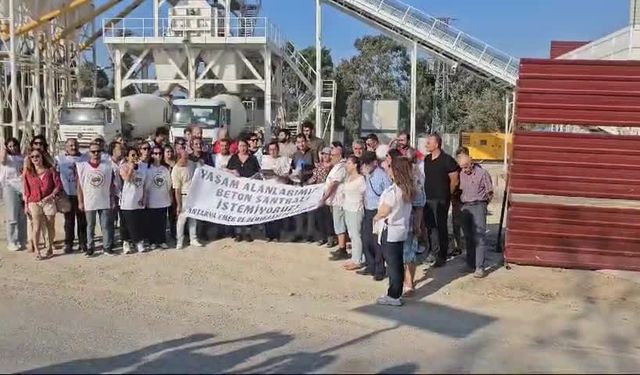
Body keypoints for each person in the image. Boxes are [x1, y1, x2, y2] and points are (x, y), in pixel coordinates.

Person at [374, 157, 416, 306]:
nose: (388, 169)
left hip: (390, 229)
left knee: (393, 265)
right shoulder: (407, 189)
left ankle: (394, 295)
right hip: (401, 229)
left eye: (391, 167)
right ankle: (395, 293)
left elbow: (384, 211)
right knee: (397, 262)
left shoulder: (394, 191)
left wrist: (376, 217)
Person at [423, 134, 459, 267]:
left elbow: (454, 179)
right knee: (430, 227)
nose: (426, 144)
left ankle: (442, 255)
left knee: (441, 227)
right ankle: (433, 251)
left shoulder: (447, 160)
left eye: (429, 142)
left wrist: (448, 193)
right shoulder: (427, 159)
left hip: (441, 199)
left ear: (437, 144)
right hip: (428, 198)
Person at [457, 153, 494, 278]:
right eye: (462, 167)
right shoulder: (461, 173)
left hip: (479, 204)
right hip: (465, 206)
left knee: (479, 237)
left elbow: (490, 192)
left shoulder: (482, 174)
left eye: (466, 167)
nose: (464, 170)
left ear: (472, 163)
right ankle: (470, 263)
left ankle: (480, 267)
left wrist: (483, 205)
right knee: (468, 236)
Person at [77, 142, 116, 256]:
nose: (96, 154)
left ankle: (107, 247)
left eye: (98, 151)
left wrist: (112, 199)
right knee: (90, 225)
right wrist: (80, 201)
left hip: (104, 199)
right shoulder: (82, 167)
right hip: (89, 200)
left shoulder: (108, 166)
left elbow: (111, 185)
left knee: (106, 225)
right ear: (89, 153)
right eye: (93, 151)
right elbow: (79, 186)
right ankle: (90, 247)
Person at [23, 148, 62, 260]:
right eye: (32, 157)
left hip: (48, 201)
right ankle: (37, 250)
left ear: (42, 157)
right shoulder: (28, 173)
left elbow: (58, 186)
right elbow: (26, 190)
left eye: (37, 156)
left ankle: (49, 246)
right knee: (36, 226)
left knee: (50, 224)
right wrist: (26, 205)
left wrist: (50, 196)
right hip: (33, 201)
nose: (35, 158)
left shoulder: (50, 170)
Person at [358, 151, 392, 281]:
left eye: (367, 163)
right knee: (366, 239)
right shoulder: (367, 175)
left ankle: (379, 269)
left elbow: (388, 193)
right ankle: (370, 265)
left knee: (376, 241)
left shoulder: (382, 175)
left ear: (374, 163)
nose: (364, 166)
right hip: (368, 209)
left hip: (378, 211)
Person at [402, 148, 426, 295]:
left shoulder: (415, 179)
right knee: (400, 254)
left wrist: (417, 225)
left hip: (409, 222)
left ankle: (409, 283)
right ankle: (403, 281)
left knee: (409, 253)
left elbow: (419, 206)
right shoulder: (398, 178)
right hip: (396, 222)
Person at [56, 139, 87, 253]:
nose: (73, 147)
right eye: (71, 145)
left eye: (75, 145)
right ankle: (68, 243)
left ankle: (83, 242)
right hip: (67, 193)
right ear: (66, 148)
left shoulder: (85, 158)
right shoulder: (60, 159)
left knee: (82, 220)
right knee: (69, 221)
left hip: (82, 194)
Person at [227, 139, 261, 242]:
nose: (242, 148)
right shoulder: (233, 158)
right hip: (236, 189)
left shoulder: (253, 158)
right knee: (237, 210)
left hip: (249, 190)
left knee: (248, 211)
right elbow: (227, 170)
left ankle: (247, 232)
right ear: (238, 147)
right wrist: (232, 172)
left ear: (247, 146)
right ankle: (238, 233)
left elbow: (258, 172)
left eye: (244, 146)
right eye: (241, 146)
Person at [172, 145, 202, 249]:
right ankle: (179, 241)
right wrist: (179, 205)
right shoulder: (175, 170)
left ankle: (193, 239)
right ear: (179, 158)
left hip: (193, 195)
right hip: (183, 196)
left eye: (187, 157)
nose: (186, 159)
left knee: (193, 219)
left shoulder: (191, 164)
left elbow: (199, 167)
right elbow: (177, 189)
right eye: (184, 158)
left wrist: (200, 163)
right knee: (181, 220)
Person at [322, 145, 348, 260]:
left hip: (339, 199)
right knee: (337, 223)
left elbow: (334, 184)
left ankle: (342, 249)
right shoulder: (336, 166)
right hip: (334, 200)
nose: (330, 157)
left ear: (339, 156)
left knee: (339, 223)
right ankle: (341, 247)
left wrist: (324, 197)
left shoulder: (342, 167)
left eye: (333, 155)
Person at [119, 148, 147, 254]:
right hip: (127, 201)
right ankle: (126, 242)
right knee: (127, 223)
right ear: (127, 157)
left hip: (138, 199)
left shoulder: (142, 168)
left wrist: (144, 198)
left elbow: (144, 184)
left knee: (138, 222)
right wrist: (131, 168)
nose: (135, 157)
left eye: (136, 155)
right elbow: (127, 179)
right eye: (132, 155)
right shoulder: (123, 167)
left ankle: (139, 241)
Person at [261, 141, 290, 241]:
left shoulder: (284, 159)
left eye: (274, 149)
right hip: (268, 190)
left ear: (278, 150)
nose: (272, 151)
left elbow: (287, 174)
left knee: (277, 214)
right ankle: (268, 235)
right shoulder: (264, 159)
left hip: (279, 189)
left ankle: (277, 235)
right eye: (270, 150)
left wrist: (277, 174)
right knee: (267, 213)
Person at [291, 134, 318, 242]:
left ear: (306, 142)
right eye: (298, 142)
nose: (301, 144)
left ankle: (310, 234)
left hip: (309, 184)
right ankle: (299, 232)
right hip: (298, 186)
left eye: (302, 141)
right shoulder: (295, 155)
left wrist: (308, 174)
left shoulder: (312, 153)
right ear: (296, 143)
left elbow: (317, 168)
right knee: (298, 210)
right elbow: (292, 169)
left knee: (310, 210)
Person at [1, 137, 27, 251]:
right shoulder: (6, 158)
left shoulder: (22, 158)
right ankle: (11, 241)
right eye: (10, 146)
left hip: (22, 187)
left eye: (14, 145)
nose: (13, 148)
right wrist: (4, 149)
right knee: (12, 215)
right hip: (9, 186)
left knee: (22, 215)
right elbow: (2, 160)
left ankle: (22, 240)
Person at [145, 146, 173, 250]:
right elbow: (146, 186)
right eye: (155, 153)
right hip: (152, 199)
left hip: (163, 199)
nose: (158, 156)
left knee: (162, 222)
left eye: (160, 153)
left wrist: (170, 198)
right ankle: (152, 241)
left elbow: (169, 185)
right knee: (152, 222)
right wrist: (146, 199)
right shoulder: (148, 169)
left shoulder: (165, 169)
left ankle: (161, 240)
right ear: (152, 155)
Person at [341, 155, 366, 271]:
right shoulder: (348, 177)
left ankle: (358, 260)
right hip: (347, 207)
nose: (347, 165)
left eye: (349, 163)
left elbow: (365, 195)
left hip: (356, 208)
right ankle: (354, 256)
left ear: (355, 165)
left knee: (356, 234)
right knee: (351, 234)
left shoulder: (361, 179)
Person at [307, 147, 335, 247]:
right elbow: (314, 178)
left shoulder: (332, 166)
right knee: (319, 216)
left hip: (328, 193)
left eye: (327, 154)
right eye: (323, 154)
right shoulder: (319, 166)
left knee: (328, 217)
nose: (324, 156)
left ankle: (330, 237)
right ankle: (322, 237)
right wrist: (306, 184)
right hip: (318, 193)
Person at [451, 146, 470, 257]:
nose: (460, 159)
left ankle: (469, 245)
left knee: (467, 224)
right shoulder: (455, 169)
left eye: (462, 157)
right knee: (456, 224)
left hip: (468, 201)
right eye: (458, 157)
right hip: (457, 199)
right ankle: (457, 246)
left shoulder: (473, 169)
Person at [164, 145, 178, 242]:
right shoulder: (161, 164)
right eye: (167, 151)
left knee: (173, 214)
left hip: (174, 190)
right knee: (163, 215)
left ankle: (174, 233)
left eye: (170, 151)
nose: (169, 153)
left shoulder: (176, 163)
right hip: (163, 192)